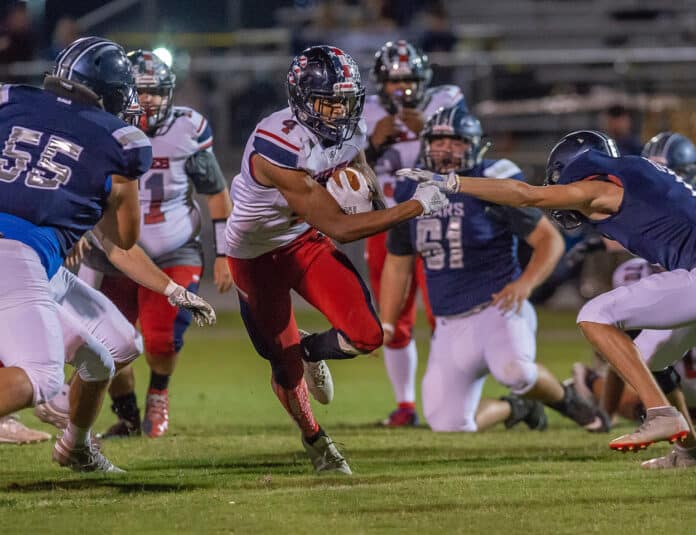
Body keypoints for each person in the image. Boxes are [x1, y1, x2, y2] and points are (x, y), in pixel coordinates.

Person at [398, 128, 695, 452]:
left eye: (559, 180)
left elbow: (527, 194)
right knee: (650, 357)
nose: (559, 190)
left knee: (595, 315)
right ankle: (689, 451)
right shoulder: (639, 172)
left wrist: (453, 182)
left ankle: (660, 413)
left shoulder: (598, 187)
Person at [224, 45, 448, 475]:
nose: (339, 112)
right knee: (284, 369)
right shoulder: (277, 146)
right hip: (255, 255)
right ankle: (315, 439)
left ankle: (308, 349)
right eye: (329, 102)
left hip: (303, 241)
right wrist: (415, 206)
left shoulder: (350, 130)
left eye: (345, 101)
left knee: (367, 335)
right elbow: (341, 230)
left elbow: (360, 169)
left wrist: (372, 197)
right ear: (303, 100)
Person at [380, 107, 608, 432]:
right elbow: (398, 261)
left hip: (498, 309)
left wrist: (526, 284)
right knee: (448, 424)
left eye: (456, 142)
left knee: (517, 372)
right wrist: (387, 322)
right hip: (449, 325)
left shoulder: (493, 180)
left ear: (473, 145)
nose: (446, 149)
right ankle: (515, 407)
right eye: (439, 141)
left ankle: (566, 399)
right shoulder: (411, 187)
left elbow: (549, 241)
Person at [0, 36, 152, 471]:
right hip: (16, 251)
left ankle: (77, 447)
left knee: (98, 359)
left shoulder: (11, 99)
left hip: (25, 258)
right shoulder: (120, 141)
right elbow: (124, 236)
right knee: (41, 377)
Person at [78, 50, 233, 439]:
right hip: (112, 253)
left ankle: (158, 396)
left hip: (173, 249)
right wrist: (78, 227)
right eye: (140, 91)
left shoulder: (186, 129)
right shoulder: (104, 129)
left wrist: (226, 254)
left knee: (162, 338)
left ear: (170, 93)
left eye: (156, 92)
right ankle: (127, 416)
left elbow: (216, 193)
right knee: (103, 343)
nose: (148, 100)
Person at [364, 39, 465, 426]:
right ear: (381, 83)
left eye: (409, 80)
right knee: (393, 318)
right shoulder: (365, 112)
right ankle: (405, 405)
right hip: (388, 220)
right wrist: (372, 145)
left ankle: (451, 398)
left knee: (447, 312)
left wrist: (433, 133)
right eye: (394, 81)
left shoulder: (446, 103)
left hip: (440, 217)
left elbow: (466, 155)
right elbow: (342, 165)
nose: (402, 88)